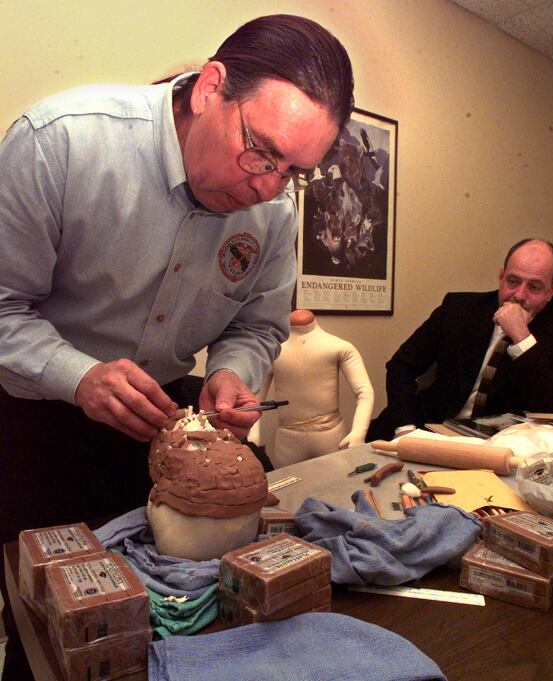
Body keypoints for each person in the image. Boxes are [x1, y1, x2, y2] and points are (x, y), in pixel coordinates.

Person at [0, 15, 354, 680]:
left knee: (164, 625)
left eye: (294, 172)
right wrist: (76, 375)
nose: (269, 188)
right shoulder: (63, 143)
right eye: (262, 152)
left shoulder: (273, 213)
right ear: (209, 88)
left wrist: (231, 371)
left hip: (163, 429)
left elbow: (256, 325)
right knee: (48, 635)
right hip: (32, 429)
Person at [367, 239, 553, 441]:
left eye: (534, 287)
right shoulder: (458, 309)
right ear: (501, 276)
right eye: (513, 281)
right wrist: (405, 429)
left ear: (552, 290)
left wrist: (522, 338)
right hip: (426, 426)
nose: (519, 295)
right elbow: (401, 366)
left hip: (496, 444)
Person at [264, 309, 374, 468]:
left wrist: (359, 432)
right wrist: (252, 438)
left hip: (330, 436)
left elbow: (364, 392)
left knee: (336, 486)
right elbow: (255, 401)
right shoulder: (272, 352)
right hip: (288, 441)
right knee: (288, 488)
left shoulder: (339, 346)